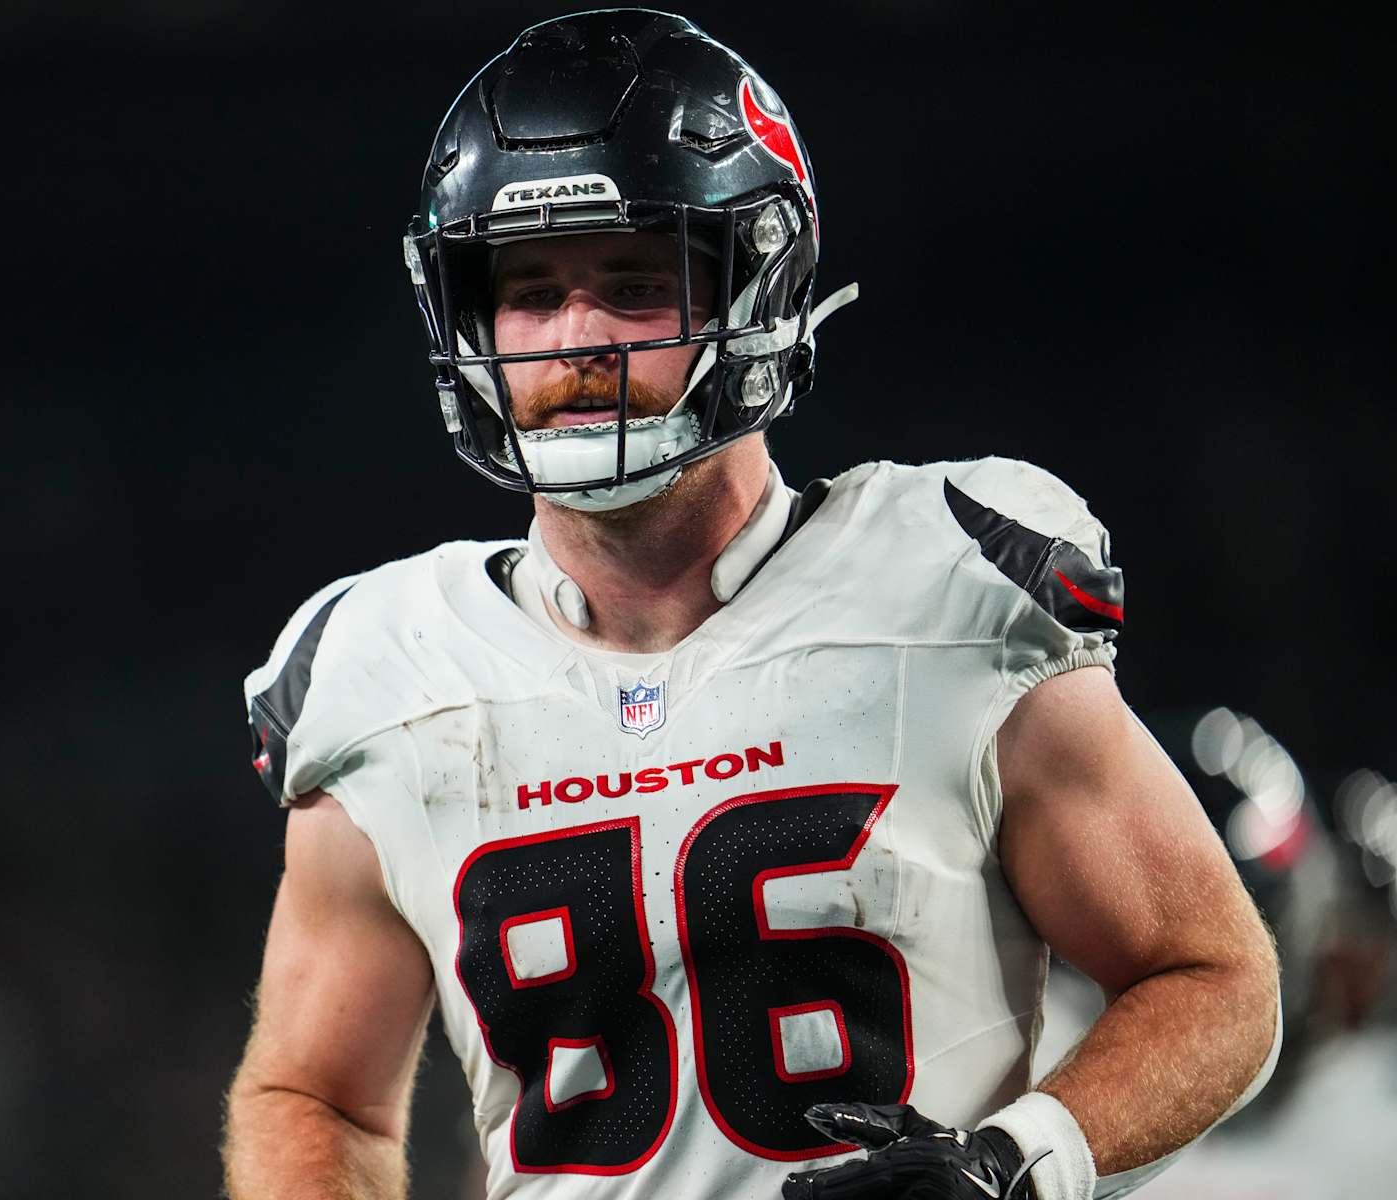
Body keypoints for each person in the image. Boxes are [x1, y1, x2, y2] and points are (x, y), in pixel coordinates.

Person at [222, 11, 1280, 1200]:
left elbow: (1211, 975)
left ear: (758, 286)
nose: (576, 340)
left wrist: (1018, 1160)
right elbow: (314, 1094)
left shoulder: (944, 590)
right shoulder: (386, 670)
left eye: (631, 284)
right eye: (530, 292)